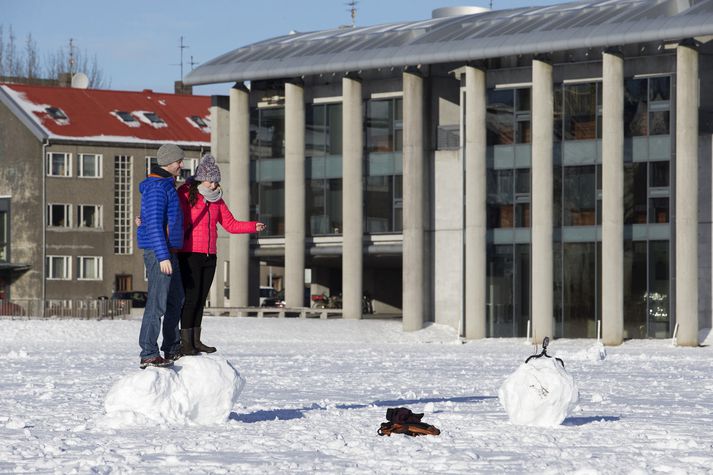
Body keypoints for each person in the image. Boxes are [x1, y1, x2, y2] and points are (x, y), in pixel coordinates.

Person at [177, 153, 265, 356]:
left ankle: (196, 340)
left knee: (201, 299)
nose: (214, 185)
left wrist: (253, 226)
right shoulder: (186, 195)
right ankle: (185, 342)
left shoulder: (217, 201)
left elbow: (231, 225)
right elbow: (173, 218)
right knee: (191, 299)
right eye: (210, 181)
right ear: (200, 179)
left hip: (209, 255)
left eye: (216, 181)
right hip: (189, 253)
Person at [136, 144, 185, 369]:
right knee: (157, 304)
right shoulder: (157, 188)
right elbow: (155, 224)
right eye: (178, 161)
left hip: (168, 252)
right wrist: (163, 256)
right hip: (160, 254)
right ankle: (148, 352)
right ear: (167, 162)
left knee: (177, 299)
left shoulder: (166, 185)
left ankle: (172, 347)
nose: (181, 165)